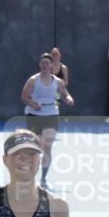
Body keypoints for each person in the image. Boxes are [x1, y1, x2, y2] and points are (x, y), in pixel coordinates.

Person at [21, 53, 74, 192]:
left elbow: (65, 94)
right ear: (40, 65)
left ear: (51, 66)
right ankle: (29, 177)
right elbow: (24, 96)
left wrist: (69, 99)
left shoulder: (58, 81)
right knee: (35, 147)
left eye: (47, 63)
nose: (44, 65)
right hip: (34, 115)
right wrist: (33, 105)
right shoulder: (33, 80)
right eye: (42, 63)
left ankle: (43, 180)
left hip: (51, 114)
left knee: (47, 147)